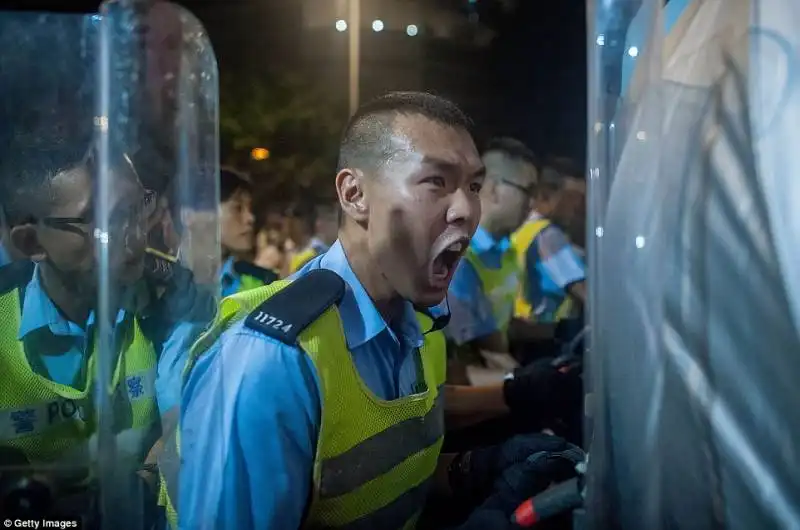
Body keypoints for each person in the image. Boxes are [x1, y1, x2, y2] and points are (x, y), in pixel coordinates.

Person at [176, 92, 575, 530]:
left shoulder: (424, 325)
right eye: (436, 182)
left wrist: (473, 469)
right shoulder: (269, 361)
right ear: (355, 194)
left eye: (474, 187)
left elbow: (389, 475)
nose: (466, 210)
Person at [0, 125, 199, 523]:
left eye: (137, 207)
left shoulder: (168, 301)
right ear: (31, 244)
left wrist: (139, 487)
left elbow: (184, 431)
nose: (133, 234)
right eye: (104, 219)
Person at [511, 157, 586, 324]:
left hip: (520, 328)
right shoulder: (548, 236)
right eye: (572, 197)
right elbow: (584, 292)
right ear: (545, 195)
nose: (577, 207)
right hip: (547, 335)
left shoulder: (520, 229)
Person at [218, 167, 277, 295]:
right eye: (238, 208)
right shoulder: (172, 281)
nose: (250, 218)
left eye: (250, 208)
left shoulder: (264, 283)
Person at [286, 202, 339, 275]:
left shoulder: (317, 253)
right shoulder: (292, 250)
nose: (288, 229)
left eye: (291, 224)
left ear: (303, 223)